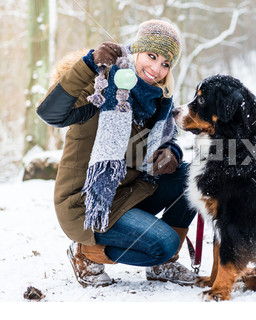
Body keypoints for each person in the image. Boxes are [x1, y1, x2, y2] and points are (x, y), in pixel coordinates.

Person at [36, 19, 198, 287]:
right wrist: (88, 64)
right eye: (152, 56)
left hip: (129, 192)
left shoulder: (158, 99)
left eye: (166, 64)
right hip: (87, 203)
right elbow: (50, 114)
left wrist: (171, 150)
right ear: (137, 50)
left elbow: (169, 137)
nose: (156, 68)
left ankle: (162, 265)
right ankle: (86, 253)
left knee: (192, 177)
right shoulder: (101, 86)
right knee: (164, 244)